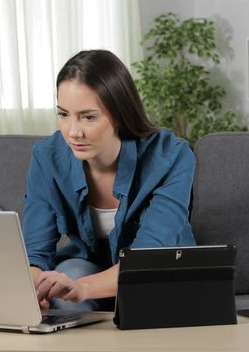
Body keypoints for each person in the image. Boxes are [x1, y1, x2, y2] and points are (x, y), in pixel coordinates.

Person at [22, 49, 196, 312]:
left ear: (119, 113)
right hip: (88, 266)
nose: (73, 132)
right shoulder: (47, 157)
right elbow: (36, 253)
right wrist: (37, 289)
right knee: (64, 291)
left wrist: (84, 288)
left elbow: (147, 256)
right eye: (63, 114)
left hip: (157, 270)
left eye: (88, 117)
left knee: (138, 300)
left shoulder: (171, 156)